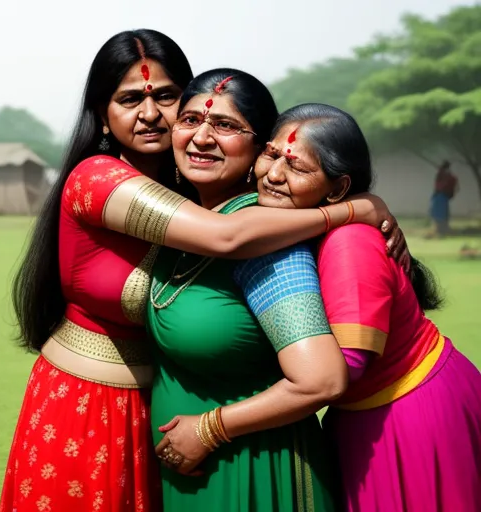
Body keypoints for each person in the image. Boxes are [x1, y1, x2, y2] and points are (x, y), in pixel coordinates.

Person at [0, 31, 394, 512]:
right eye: (129, 100)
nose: (150, 115)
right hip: (86, 407)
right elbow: (223, 237)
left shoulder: (260, 232)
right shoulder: (99, 179)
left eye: (166, 97)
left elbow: (319, 377)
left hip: (196, 437)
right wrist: (355, 209)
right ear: (102, 114)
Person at [147, 70, 407, 511]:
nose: (202, 138)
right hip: (196, 475)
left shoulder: (267, 245)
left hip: (257, 472)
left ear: (256, 146)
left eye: (226, 126)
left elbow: (321, 380)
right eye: (190, 120)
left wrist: (209, 429)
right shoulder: (193, 220)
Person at [253, 103, 481, 512]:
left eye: (296, 167)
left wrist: (220, 415)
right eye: (270, 153)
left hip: (409, 413)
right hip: (372, 410)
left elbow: (345, 365)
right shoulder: (297, 222)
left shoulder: (349, 243)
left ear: (338, 189)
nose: (273, 174)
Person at [429, 160, 458, 236]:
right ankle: (440, 229)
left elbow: (446, 184)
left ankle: (442, 229)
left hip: (442, 196)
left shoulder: (446, 175)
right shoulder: (443, 174)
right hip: (440, 195)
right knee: (440, 213)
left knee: (441, 213)